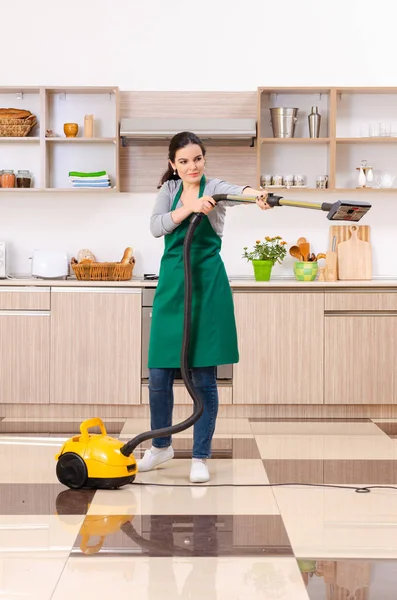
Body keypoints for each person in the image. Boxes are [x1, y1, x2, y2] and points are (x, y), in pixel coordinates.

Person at [137, 131, 271, 483]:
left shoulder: (215, 188)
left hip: (208, 287)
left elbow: (240, 191)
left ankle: (200, 455)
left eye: (197, 159)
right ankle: (160, 445)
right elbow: (155, 227)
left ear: (204, 160)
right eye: (183, 161)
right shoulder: (168, 193)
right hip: (172, 287)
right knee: (159, 376)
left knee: (203, 378)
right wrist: (188, 208)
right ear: (173, 165)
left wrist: (257, 195)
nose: (191, 166)